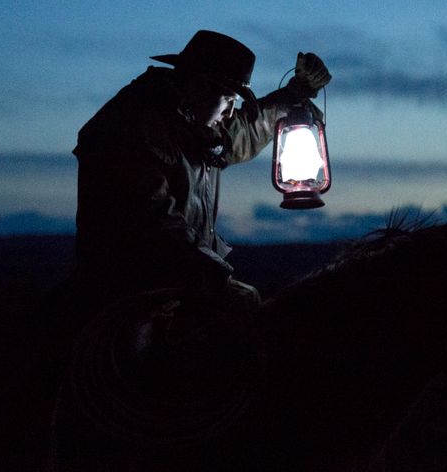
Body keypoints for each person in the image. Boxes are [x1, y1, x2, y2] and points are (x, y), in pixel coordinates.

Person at [70, 29, 330, 316]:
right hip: (128, 288)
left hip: (182, 279)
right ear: (198, 86)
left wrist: (293, 95)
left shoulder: (194, 124)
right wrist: (215, 273)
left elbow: (243, 131)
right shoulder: (132, 126)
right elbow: (153, 222)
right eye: (229, 100)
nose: (231, 113)